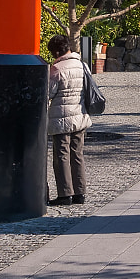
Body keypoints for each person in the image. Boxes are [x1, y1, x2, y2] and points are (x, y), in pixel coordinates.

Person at [44, 33, 92, 206]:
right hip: (79, 115)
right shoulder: (82, 65)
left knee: (62, 155)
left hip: (61, 118)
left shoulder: (56, 69)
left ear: (56, 52)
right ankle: (80, 192)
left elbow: (49, 92)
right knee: (77, 154)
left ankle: (65, 194)